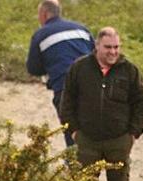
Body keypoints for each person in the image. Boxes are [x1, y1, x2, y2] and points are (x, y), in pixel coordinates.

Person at [59, 27, 143, 181]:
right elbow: (67, 101)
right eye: (108, 47)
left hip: (119, 139)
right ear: (97, 46)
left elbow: (141, 103)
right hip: (86, 139)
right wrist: (73, 131)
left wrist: (133, 133)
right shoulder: (79, 68)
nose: (113, 52)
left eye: (116, 47)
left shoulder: (130, 70)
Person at [26, 0, 93, 147]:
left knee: (71, 133)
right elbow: (96, 55)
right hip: (92, 86)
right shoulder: (82, 29)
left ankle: (77, 167)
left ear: (44, 14)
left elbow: (33, 68)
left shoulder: (40, 35)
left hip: (64, 89)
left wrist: (51, 66)